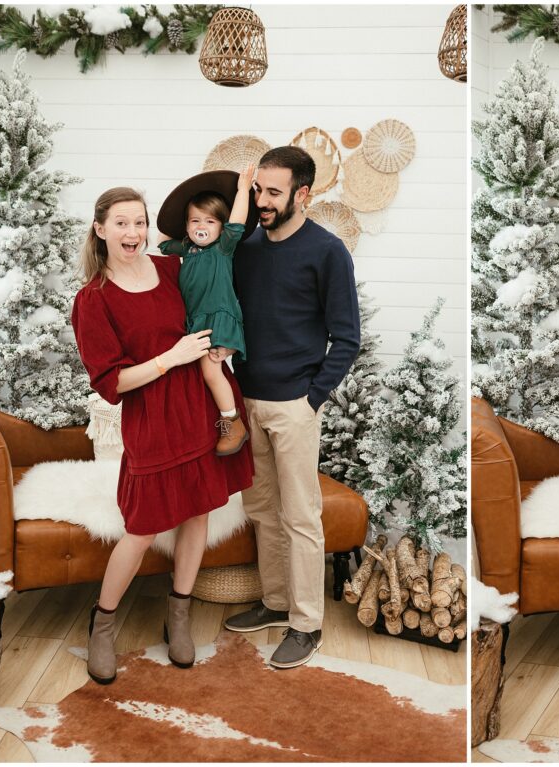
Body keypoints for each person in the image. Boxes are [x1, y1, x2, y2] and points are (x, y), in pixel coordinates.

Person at [71, 187, 254, 685]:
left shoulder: (173, 268)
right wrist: (168, 359)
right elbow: (111, 383)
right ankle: (103, 624)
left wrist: (220, 349)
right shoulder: (93, 300)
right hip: (152, 419)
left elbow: (217, 288)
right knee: (144, 526)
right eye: (122, 223)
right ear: (101, 229)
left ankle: (179, 612)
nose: (133, 233)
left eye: (140, 222)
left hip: (200, 408)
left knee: (198, 510)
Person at [219, 146, 360, 670]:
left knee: (301, 517)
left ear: (304, 194)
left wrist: (311, 399)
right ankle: (276, 604)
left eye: (273, 192)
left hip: (294, 406)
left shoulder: (327, 251)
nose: (262, 201)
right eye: (258, 190)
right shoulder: (246, 248)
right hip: (245, 401)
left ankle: (306, 624)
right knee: (261, 510)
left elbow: (346, 339)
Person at [157, 166, 256, 457]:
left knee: (211, 372)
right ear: (187, 226)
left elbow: (238, 220)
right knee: (200, 377)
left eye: (210, 221)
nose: (202, 226)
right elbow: (162, 240)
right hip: (196, 323)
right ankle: (215, 422)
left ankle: (232, 423)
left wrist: (242, 190)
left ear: (220, 226)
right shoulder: (188, 250)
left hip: (218, 318)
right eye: (194, 220)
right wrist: (175, 209)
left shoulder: (223, 247)